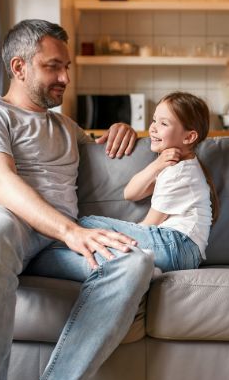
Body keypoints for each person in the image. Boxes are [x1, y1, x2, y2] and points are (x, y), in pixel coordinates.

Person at [0, 19, 154, 380]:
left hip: (51, 243)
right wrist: (70, 231)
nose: (64, 77)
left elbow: (106, 151)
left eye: (67, 67)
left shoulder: (66, 128)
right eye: (52, 67)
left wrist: (121, 131)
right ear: (19, 66)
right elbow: (1, 183)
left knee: (133, 262)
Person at [81, 91, 218, 273]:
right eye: (154, 120)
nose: (152, 128)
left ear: (188, 137)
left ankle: (134, 265)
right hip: (179, 250)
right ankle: (137, 268)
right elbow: (130, 193)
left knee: (87, 224)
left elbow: (150, 224)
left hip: (176, 246)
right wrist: (156, 165)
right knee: (93, 236)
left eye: (164, 123)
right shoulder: (172, 166)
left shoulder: (180, 173)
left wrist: (117, 239)